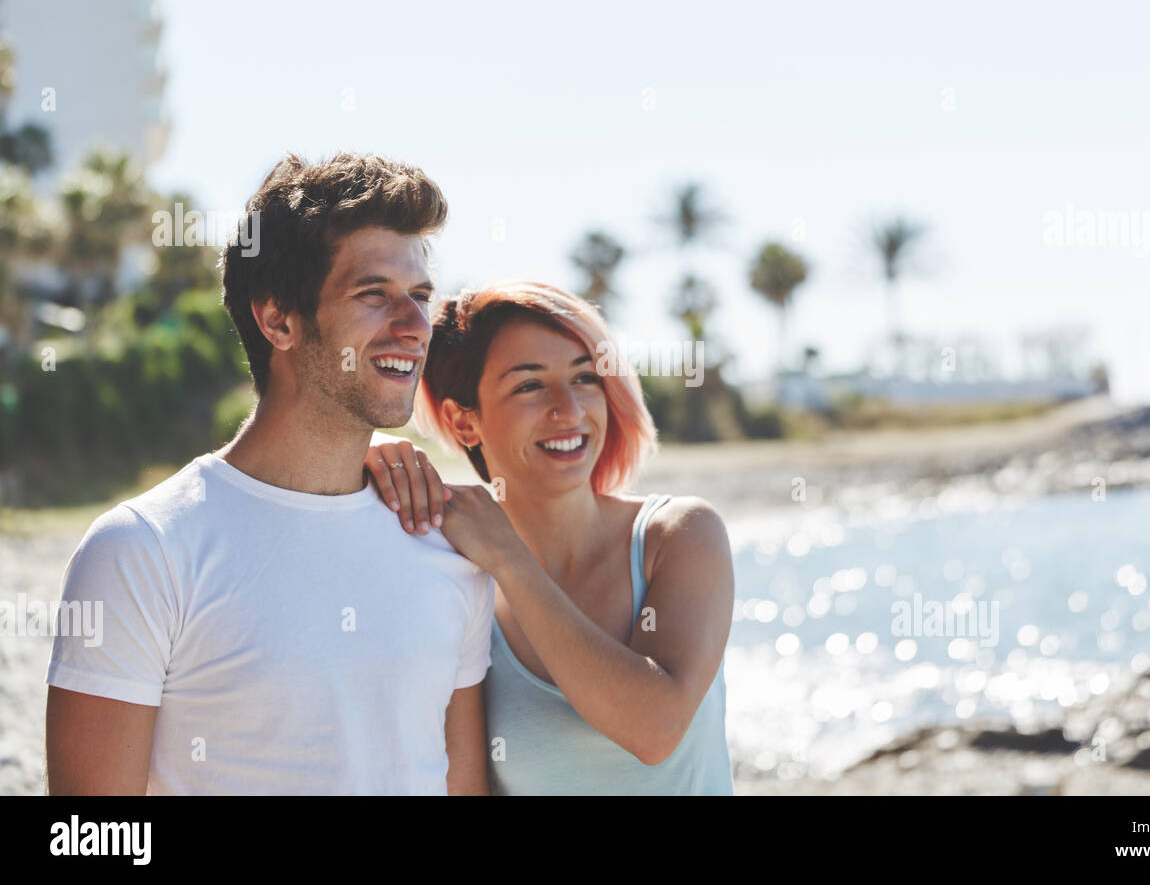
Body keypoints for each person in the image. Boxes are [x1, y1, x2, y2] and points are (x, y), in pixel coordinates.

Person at [44, 151, 493, 795]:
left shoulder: (448, 541)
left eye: (421, 297)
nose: (416, 326)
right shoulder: (143, 549)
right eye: (374, 294)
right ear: (278, 318)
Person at [364, 282, 734, 794]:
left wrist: (512, 562)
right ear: (462, 421)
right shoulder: (457, 585)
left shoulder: (679, 536)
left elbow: (654, 729)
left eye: (585, 377)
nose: (570, 410)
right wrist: (368, 447)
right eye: (529, 386)